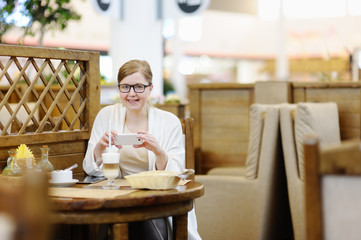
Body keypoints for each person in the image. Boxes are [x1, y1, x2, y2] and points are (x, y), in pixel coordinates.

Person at [83, 59, 201, 240]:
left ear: (150, 88)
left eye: (138, 87)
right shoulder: (106, 116)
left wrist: (158, 151)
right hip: (117, 199)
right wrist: (99, 148)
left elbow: (177, 174)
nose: (131, 94)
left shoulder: (169, 122)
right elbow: (89, 169)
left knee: (139, 215)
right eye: (125, 87)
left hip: (155, 201)